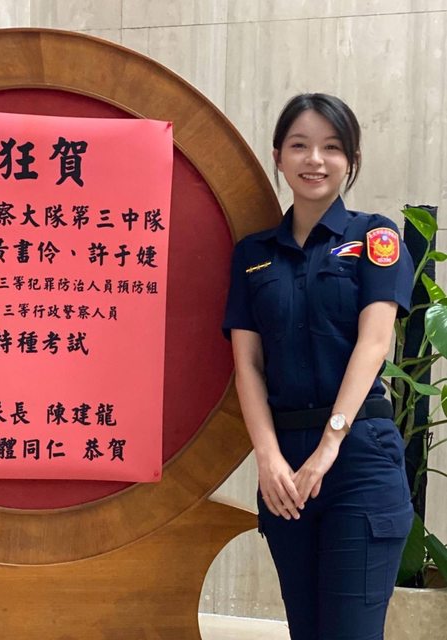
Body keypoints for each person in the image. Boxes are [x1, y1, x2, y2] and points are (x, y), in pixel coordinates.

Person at [223, 93, 414, 640]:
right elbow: (248, 365)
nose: (315, 160)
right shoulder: (253, 255)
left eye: (331, 147)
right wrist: (267, 459)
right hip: (285, 469)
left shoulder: (374, 237)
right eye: (299, 145)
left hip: (358, 459)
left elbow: (374, 343)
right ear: (278, 157)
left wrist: (330, 445)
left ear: (351, 160)